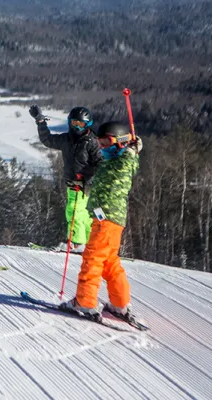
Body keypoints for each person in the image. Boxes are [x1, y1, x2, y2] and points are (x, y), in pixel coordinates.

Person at [59, 121, 142, 322]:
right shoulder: (110, 162)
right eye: (100, 142)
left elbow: (128, 164)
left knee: (93, 258)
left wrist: (132, 149)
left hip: (106, 220)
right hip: (108, 219)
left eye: (107, 142)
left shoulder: (124, 162)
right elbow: (101, 182)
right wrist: (83, 185)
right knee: (109, 262)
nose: (102, 146)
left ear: (121, 142)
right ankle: (119, 304)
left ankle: (85, 302)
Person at [29, 105, 102, 253]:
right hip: (72, 183)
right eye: (74, 123)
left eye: (80, 124)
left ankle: (77, 242)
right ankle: (91, 242)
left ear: (87, 124)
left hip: (84, 184)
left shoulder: (91, 142)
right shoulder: (66, 139)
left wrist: (89, 177)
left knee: (74, 211)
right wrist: (40, 121)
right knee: (81, 212)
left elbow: (101, 164)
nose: (76, 127)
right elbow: (47, 140)